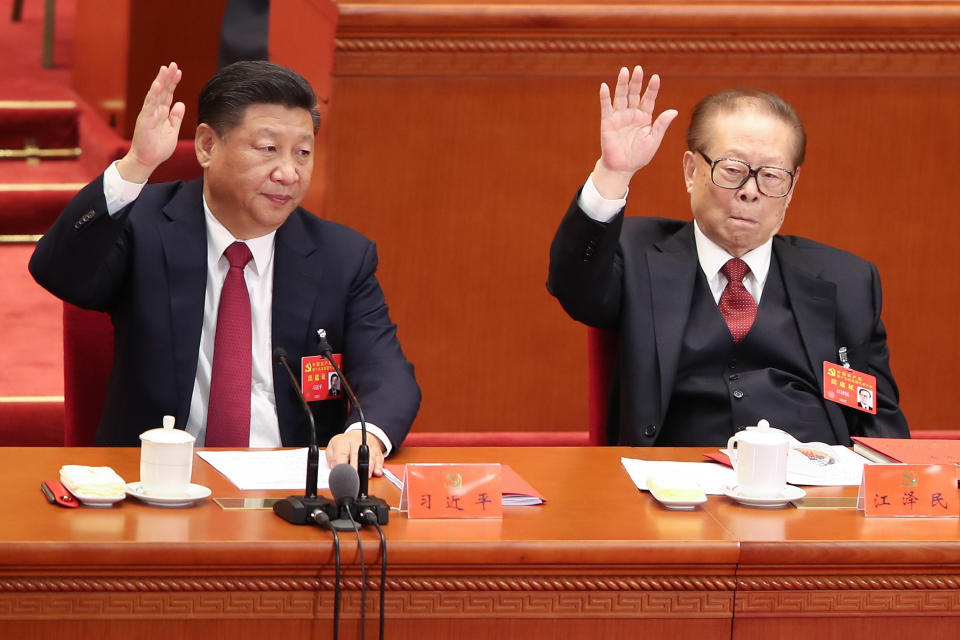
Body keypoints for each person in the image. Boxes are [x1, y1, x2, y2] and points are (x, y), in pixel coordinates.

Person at [30, 61, 420, 475]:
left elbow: (387, 371)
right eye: (268, 149)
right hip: (158, 483)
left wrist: (366, 433)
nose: (288, 172)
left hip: (292, 491)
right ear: (207, 146)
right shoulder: (144, 226)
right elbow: (58, 270)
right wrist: (136, 167)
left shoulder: (341, 256)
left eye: (303, 153)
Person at [548, 66, 909, 447]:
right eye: (732, 169)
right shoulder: (635, 254)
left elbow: (878, 419)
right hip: (675, 487)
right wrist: (613, 173)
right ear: (691, 171)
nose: (750, 191)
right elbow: (573, 285)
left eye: (771, 176)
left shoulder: (847, 279)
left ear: (792, 186)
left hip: (810, 488)